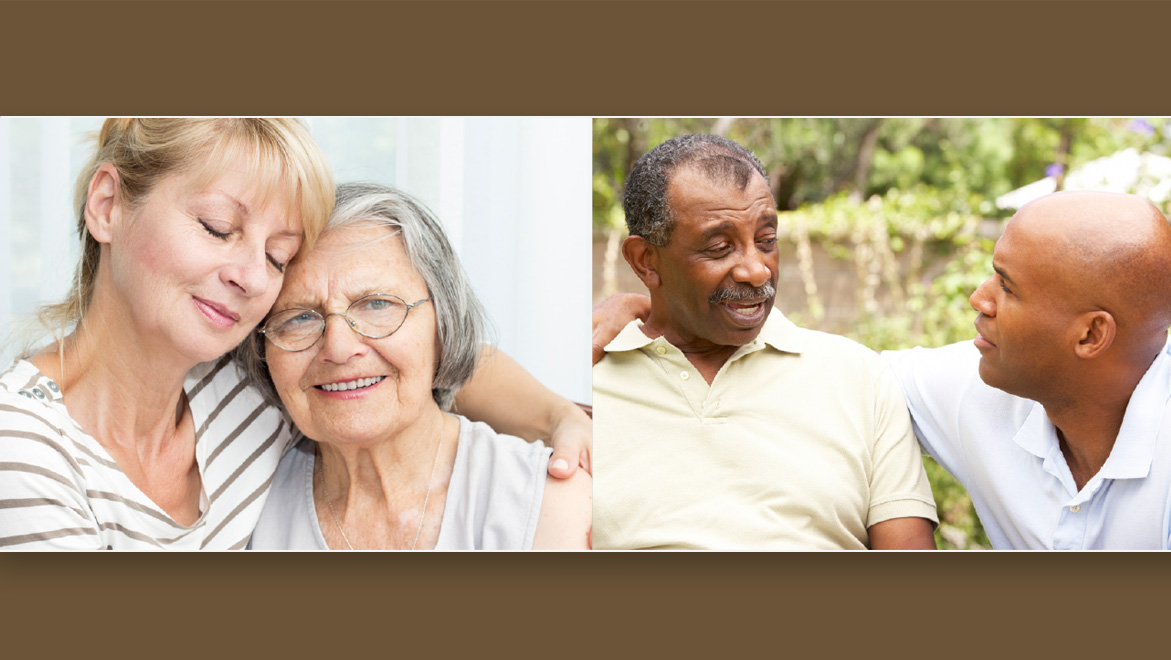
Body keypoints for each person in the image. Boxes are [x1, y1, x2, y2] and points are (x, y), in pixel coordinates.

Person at [0, 119, 588, 550]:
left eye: (278, 256)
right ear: (106, 205)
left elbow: (414, 354)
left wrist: (559, 416)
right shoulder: (23, 451)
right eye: (217, 226)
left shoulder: (237, 385)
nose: (252, 276)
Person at [595, 165, 1171, 550]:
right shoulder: (971, 382)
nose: (976, 299)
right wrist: (646, 308)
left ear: (1091, 336)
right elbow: (832, 368)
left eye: (1006, 288)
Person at [592, 134, 938, 550]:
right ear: (646, 261)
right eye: (720, 248)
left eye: (766, 241)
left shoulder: (859, 377)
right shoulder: (581, 386)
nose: (757, 271)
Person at [246, 184, 589, 549]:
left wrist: (562, 415)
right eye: (299, 317)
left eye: (377, 304)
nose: (339, 348)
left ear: (442, 327)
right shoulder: (243, 500)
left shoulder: (542, 503)